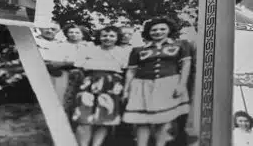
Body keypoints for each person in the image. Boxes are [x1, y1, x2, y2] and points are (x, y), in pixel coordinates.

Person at [122, 17, 193, 146]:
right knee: (142, 121)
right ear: (148, 32)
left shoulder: (181, 45)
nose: (158, 32)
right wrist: (126, 90)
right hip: (142, 86)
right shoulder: (138, 50)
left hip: (168, 84)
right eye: (154, 30)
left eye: (162, 29)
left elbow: (186, 65)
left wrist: (182, 85)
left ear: (169, 30)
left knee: (164, 119)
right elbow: (131, 71)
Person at [71, 26, 130, 146]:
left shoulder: (122, 52)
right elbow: (78, 65)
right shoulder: (89, 49)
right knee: (84, 119)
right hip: (89, 84)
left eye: (112, 36)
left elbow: (126, 70)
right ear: (99, 37)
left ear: (117, 38)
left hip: (111, 87)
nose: (108, 38)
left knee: (104, 119)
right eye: (104, 35)